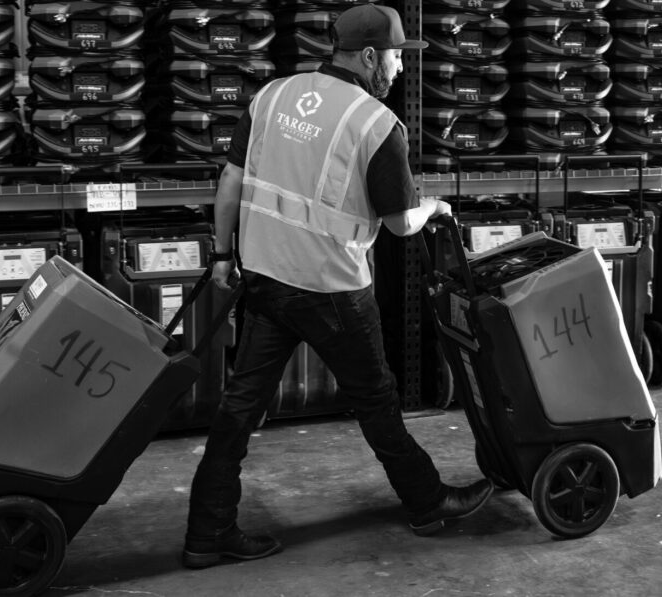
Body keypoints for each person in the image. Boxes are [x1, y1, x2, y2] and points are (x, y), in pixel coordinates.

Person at [182, 4, 493, 569]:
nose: (400, 69)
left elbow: (230, 181)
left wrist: (223, 256)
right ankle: (428, 504)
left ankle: (207, 532)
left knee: (238, 410)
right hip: (332, 292)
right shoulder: (376, 124)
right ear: (371, 56)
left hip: (267, 282)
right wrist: (436, 206)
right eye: (398, 56)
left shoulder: (272, 96)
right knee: (375, 401)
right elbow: (400, 224)